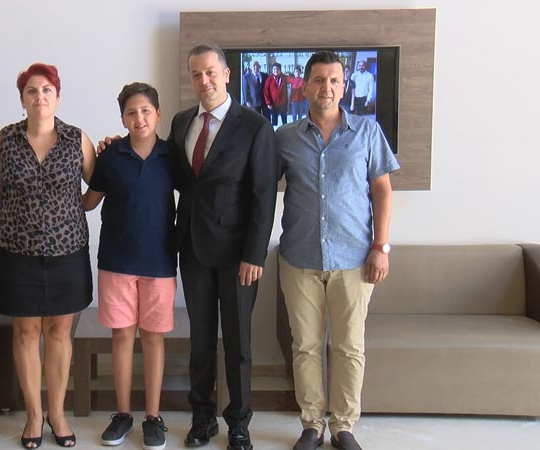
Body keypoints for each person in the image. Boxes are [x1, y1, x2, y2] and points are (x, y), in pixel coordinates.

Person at [275, 51, 399, 450]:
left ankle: (344, 427)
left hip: (355, 260)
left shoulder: (367, 131)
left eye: (333, 80)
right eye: (318, 80)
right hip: (299, 259)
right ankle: (312, 425)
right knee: (305, 347)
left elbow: (382, 191)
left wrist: (381, 246)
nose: (325, 88)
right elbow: (257, 187)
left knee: (349, 348)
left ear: (343, 87)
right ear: (304, 86)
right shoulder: (284, 138)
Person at [170, 43, 276, 450]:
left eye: (211, 72)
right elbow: (175, 175)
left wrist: (254, 254)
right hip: (193, 248)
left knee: (238, 344)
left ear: (227, 74)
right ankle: (202, 419)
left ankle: (239, 423)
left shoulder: (254, 126)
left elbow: (264, 195)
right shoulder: (182, 122)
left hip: (238, 257)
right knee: (200, 341)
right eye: (196, 74)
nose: (204, 80)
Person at [0, 62, 95, 449]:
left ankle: (57, 413)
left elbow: (96, 186)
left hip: (68, 251)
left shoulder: (76, 138)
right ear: (22, 99)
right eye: (32, 91)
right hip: (17, 253)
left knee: (59, 332)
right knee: (25, 333)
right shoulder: (5, 139)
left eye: (47, 90)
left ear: (58, 96)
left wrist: (74, 210)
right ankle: (34, 416)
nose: (40, 97)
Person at [83, 82, 176, 450]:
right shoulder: (111, 155)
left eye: (146, 111)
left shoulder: (172, 156)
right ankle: (122, 414)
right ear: (122, 118)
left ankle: (153, 417)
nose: (139, 118)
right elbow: (88, 202)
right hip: (116, 261)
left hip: (160, 261)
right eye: (131, 113)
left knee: (153, 338)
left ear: (158, 114)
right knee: (121, 336)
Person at [264, 62, 288, 127]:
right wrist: (268, 103)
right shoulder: (269, 79)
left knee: (284, 121)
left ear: (280, 70)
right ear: (272, 70)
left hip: (282, 104)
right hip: (273, 104)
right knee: (274, 121)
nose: (276, 71)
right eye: (274, 69)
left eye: (277, 69)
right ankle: (275, 132)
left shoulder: (284, 78)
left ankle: (285, 132)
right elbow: (266, 91)